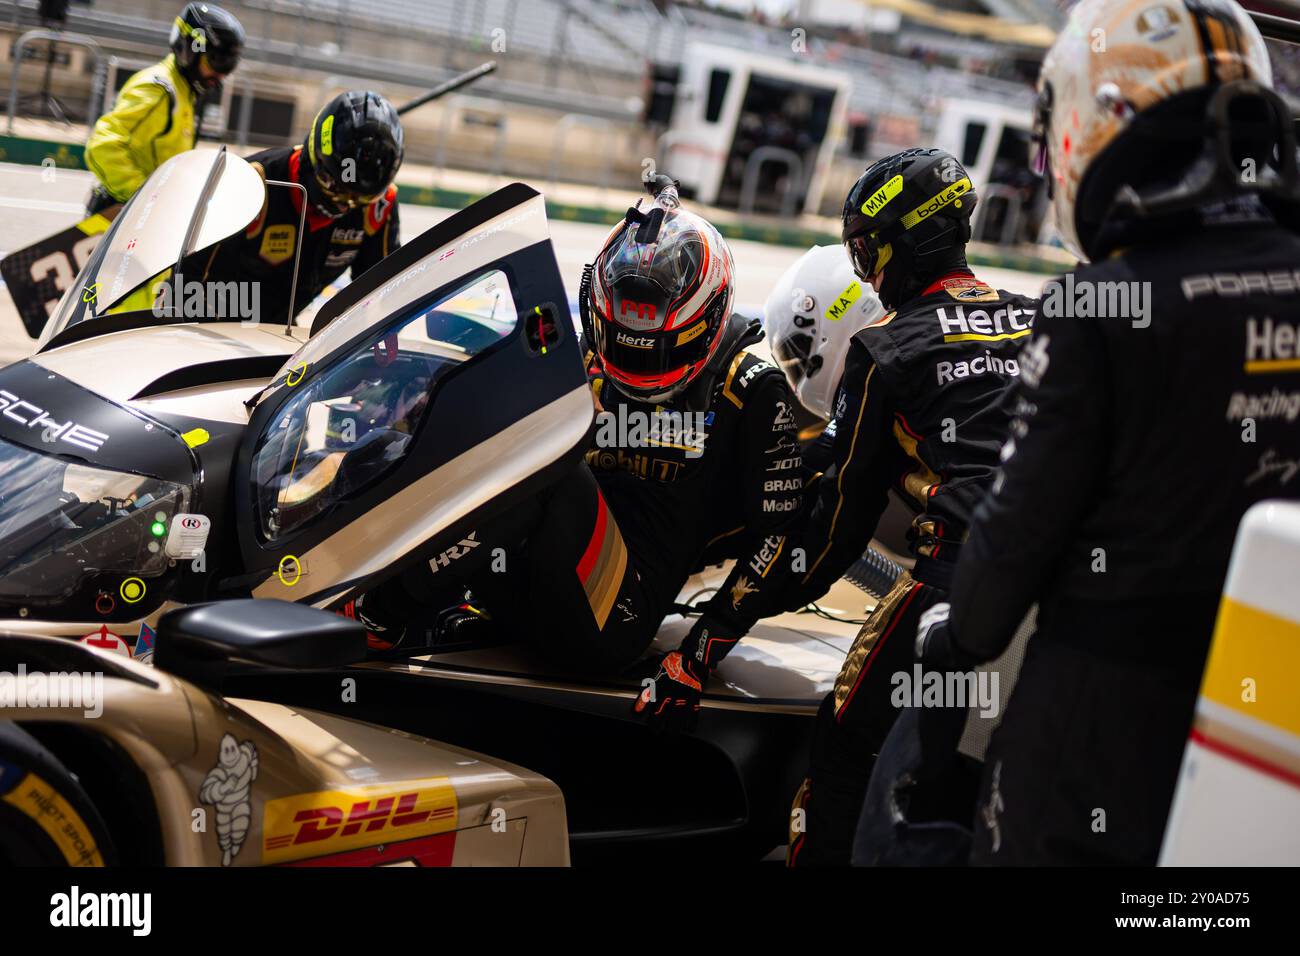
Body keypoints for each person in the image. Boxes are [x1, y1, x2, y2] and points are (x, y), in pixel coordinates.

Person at [915, 0, 1300, 866]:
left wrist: (947, 641)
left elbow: (994, 579)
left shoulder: (1099, 308)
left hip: (1099, 741)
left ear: (1098, 116)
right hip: (1268, 727)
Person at [356, 177, 803, 717]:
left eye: (658, 353)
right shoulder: (581, 344)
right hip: (521, 591)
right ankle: (352, 574)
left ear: (706, 321)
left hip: (615, 621)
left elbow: (779, 540)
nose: (638, 367)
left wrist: (697, 657)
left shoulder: (750, 387)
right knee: (409, 438)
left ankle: (379, 615)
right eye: (625, 345)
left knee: (550, 465)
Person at [778, 148, 1039, 866]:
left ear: (904, 242)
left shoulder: (886, 346)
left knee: (843, 740)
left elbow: (838, 527)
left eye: (867, 252)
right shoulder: (1042, 314)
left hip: (956, 581)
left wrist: (721, 624)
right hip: (1065, 582)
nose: (867, 271)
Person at [196, 90, 404, 327]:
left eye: (359, 199)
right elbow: (190, 280)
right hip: (214, 330)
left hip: (279, 333)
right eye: (336, 188)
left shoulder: (379, 207)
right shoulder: (252, 182)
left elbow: (380, 296)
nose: (345, 205)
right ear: (314, 156)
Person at [84, 2, 244, 214]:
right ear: (188, 49)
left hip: (148, 215)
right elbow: (102, 146)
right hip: (123, 214)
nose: (222, 75)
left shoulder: (184, 91)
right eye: (216, 62)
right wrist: (144, 197)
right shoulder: (158, 89)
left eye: (229, 66)